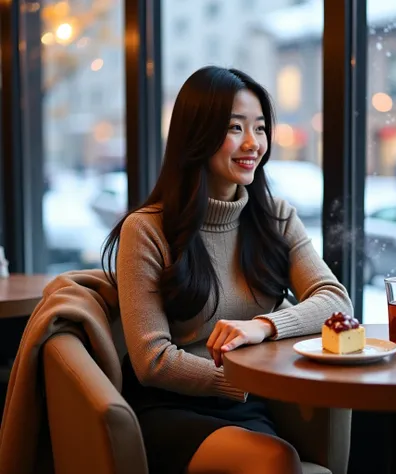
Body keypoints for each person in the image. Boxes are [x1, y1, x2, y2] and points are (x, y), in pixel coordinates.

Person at [102, 65, 353, 474]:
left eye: (260, 128)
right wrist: (245, 380)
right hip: (170, 410)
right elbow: (151, 360)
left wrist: (263, 326)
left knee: (278, 458)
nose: (253, 143)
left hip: (249, 406)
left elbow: (335, 300)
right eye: (236, 128)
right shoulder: (147, 229)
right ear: (197, 134)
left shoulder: (275, 217)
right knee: (276, 460)